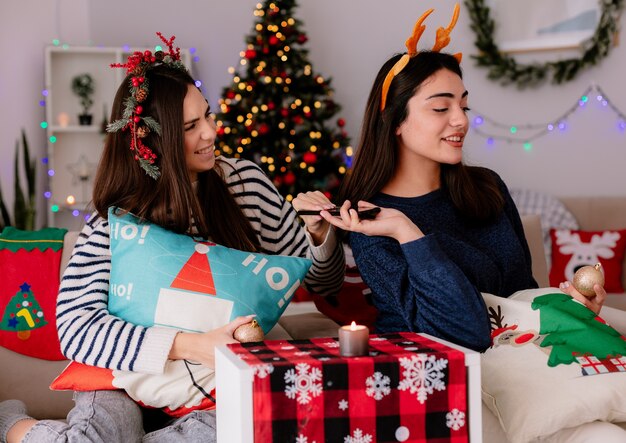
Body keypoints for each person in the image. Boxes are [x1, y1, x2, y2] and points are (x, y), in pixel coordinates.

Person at [0, 33, 344, 443]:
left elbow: (324, 283)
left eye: (208, 117)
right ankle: (10, 424)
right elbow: (76, 328)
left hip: (213, 387)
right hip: (123, 377)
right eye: (190, 127)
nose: (211, 134)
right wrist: (191, 346)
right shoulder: (113, 220)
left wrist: (321, 235)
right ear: (151, 141)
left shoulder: (245, 186)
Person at [320, 5, 608, 354]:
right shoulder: (372, 222)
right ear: (394, 121)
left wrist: (570, 308)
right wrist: (408, 233)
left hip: (524, 355)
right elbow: (460, 334)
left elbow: (522, 293)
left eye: (464, 106)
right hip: (444, 373)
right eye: (441, 108)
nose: (461, 120)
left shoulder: (487, 187)